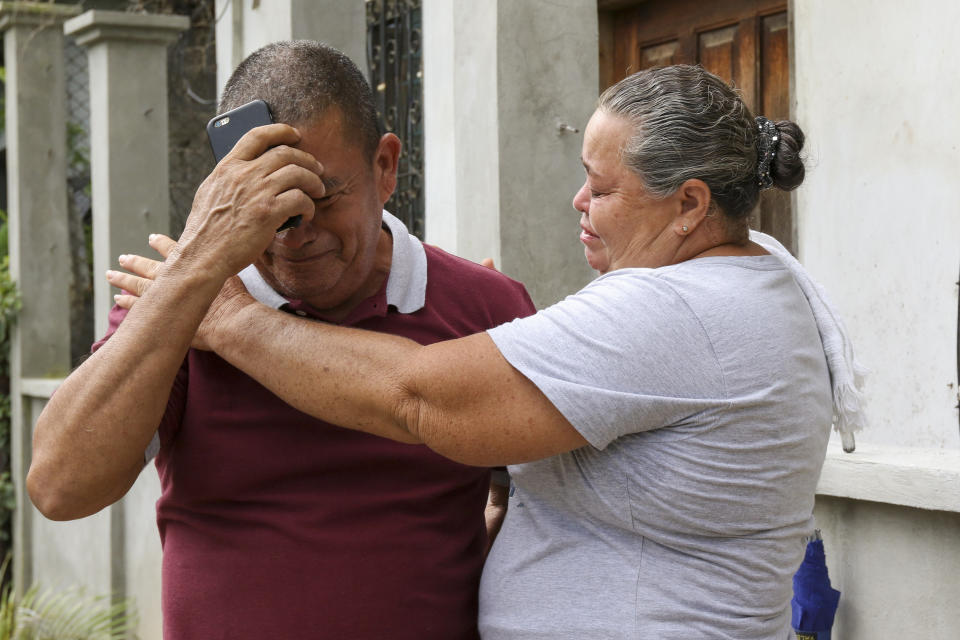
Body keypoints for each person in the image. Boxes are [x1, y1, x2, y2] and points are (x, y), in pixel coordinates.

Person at [94, 65, 863, 638]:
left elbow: (421, 397)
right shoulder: (744, 283)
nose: (578, 203)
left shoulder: (675, 310)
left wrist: (219, 312)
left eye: (600, 187)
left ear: (689, 204)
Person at [27, 41, 536, 639]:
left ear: (385, 166)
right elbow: (60, 487)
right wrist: (194, 274)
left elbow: (545, 505)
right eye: (274, 203)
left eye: (322, 196)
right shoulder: (176, 305)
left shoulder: (484, 305)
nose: (297, 234)